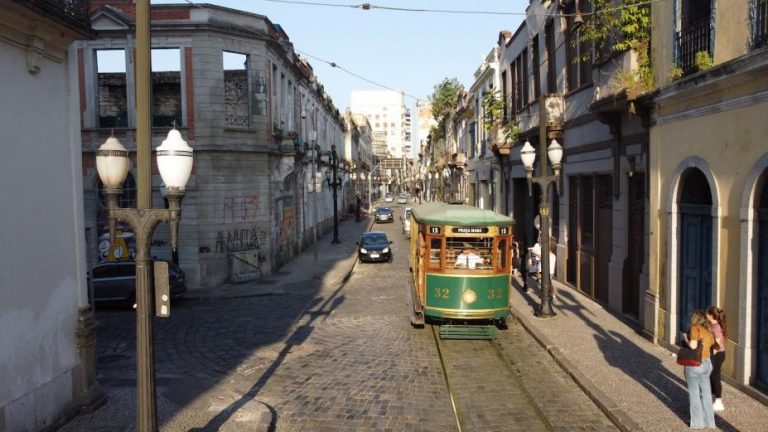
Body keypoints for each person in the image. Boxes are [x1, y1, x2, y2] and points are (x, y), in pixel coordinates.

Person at [682, 310, 717, 429]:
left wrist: (685, 339)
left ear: (695, 319)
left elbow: (693, 346)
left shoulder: (695, 328)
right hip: (707, 364)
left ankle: (697, 423)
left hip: (695, 364)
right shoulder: (708, 330)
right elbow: (713, 344)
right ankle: (709, 422)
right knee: (706, 394)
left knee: (694, 394)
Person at [706, 306, 727, 412]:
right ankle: (713, 398)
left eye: (707, 313)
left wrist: (711, 354)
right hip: (717, 354)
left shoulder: (716, 327)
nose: (706, 315)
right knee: (712, 376)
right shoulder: (713, 325)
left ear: (710, 315)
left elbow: (717, 343)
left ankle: (719, 401)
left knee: (715, 376)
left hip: (717, 355)